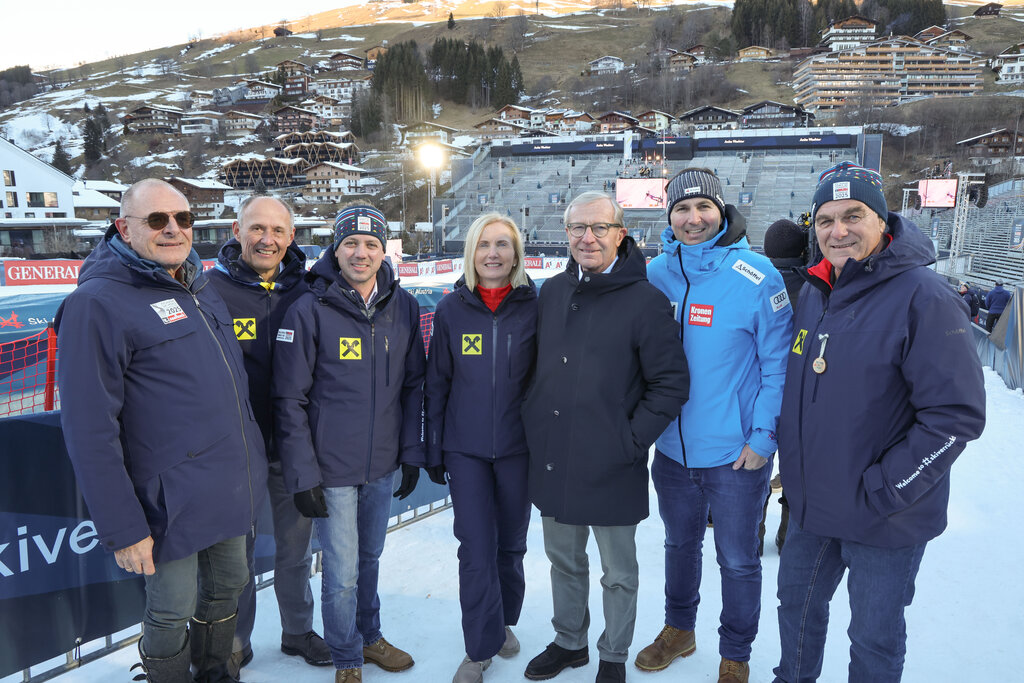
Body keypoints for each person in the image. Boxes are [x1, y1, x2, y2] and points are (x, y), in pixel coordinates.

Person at [774, 162, 986, 682]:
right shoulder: (813, 293)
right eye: (825, 219)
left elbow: (956, 416)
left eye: (853, 215)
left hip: (884, 514)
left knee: (873, 639)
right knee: (796, 616)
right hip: (812, 506)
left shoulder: (924, 297)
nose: (837, 230)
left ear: (883, 220)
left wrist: (889, 487)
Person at [55, 178, 267, 683]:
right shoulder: (97, 303)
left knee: (229, 587)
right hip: (166, 501)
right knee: (172, 607)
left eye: (183, 218)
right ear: (123, 229)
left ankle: (217, 672)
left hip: (226, 489)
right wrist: (124, 528)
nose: (173, 229)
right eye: (156, 220)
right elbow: (89, 431)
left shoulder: (199, 286)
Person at [521, 192, 689, 683]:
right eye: (577, 228)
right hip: (555, 453)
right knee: (563, 560)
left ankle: (612, 655)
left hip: (613, 460)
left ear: (621, 233)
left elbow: (670, 382)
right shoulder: (551, 292)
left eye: (598, 227)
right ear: (565, 233)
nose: (586, 237)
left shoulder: (645, 300)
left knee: (617, 572)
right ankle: (569, 641)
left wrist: (629, 440)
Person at [638, 169, 792, 683]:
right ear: (669, 217)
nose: (693, 218)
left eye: (703, 207)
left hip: (736, 455)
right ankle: (679, 630)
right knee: (679, 547)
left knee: (738, 561)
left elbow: (777, 366)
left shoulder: (756, 273)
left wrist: (763, 438)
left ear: (722, 211)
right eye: (681, 209)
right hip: (674, 452)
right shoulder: (656, 272)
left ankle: (735, 654)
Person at [273, 204, 425, 683]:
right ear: (335, 250)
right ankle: (346, 656)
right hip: (331, 470)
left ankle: (369, 634)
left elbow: (413, 386)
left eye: (372, 245)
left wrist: (411, 451)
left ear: (384, 251)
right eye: (351, 244)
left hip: (380, 464)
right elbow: (289, 400)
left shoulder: (403, 306)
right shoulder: (307, 308)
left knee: (370, 558)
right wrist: (303, 474)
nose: (361, 253)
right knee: (341, 571)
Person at [206, 196, 330, 674]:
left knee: (295, 554)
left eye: (277, 231)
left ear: (291, 237)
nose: (267, 239)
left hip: (296, 449)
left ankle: (298, 631)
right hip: (236, 452)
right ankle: (235, 642)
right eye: (257, 228)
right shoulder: (209, 289)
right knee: (235, 559)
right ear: (237, 231)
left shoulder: (309, 288)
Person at [424, 213, 538, 683]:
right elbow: (437, 384)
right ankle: (479, 648)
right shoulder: (452, 309)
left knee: (510, 547)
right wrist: (434, 449)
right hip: (465, 451)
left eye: (503, 244)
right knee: (475, 549)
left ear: (516, 253)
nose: (493, 253)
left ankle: (503, 621)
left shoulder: (536, 306)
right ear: (471, 253)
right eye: (483, 244)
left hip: (519, 450)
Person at [760, 218, 810, 553]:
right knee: (796, 472)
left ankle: (752, 535)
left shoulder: (754, 284)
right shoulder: (818, 287)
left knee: (756, 470)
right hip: (803, 398)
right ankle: (787, 536)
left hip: (761, 395)